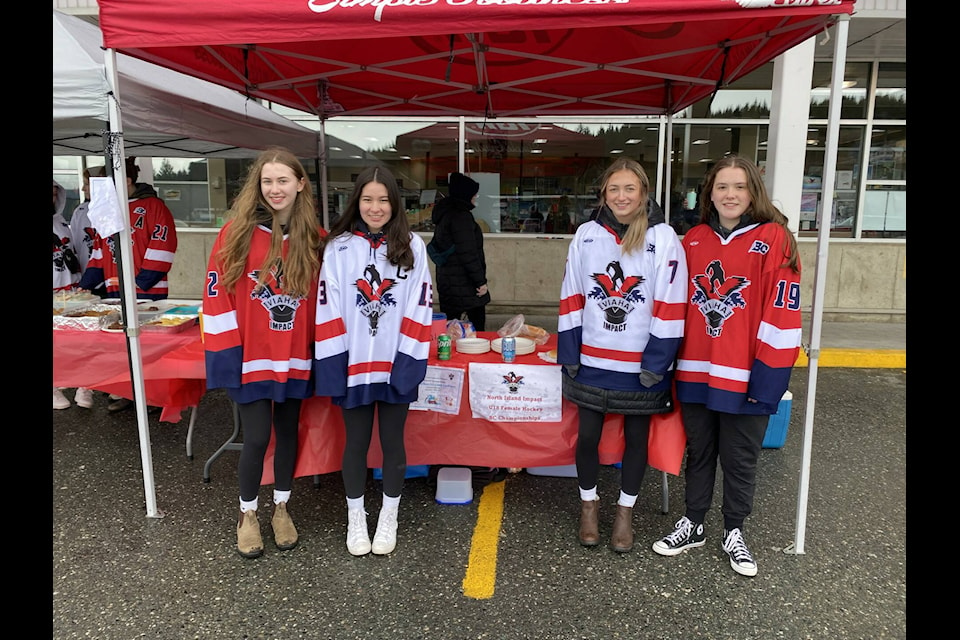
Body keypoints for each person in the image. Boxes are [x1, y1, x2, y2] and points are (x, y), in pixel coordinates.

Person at [652, 154, 802, 578]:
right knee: (699, 452)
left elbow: (783, 315)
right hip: (697, 372)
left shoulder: (775, 239)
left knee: (740, 459)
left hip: (747, 375)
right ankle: (694, 522)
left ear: (753, 191)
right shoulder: (694, 238)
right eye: (722, 186)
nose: (730, 194)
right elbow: (675, 305)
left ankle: (734, 530)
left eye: (739, 186)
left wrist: (769, 379)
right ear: (709, 194)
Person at [557, 157, 688, 553]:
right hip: (593, 360)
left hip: (639, 365)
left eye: (629, 189)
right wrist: (570, 350)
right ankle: (589, 506)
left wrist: (656, 361)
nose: (621, 196)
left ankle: (626, 512)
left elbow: (671, 301)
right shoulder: (586, 234)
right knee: (589, 438)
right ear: (604, 194)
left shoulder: (664, 238)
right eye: (614, 189)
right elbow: (572, 293)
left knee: (636, 440)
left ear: (643, 193)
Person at [202, 147, 323, 559]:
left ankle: (282, 507)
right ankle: (247, 514)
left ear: (300, 184)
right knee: (257, 436)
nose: (275, 189)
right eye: (267, 181)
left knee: (288, 432)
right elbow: (216, 295)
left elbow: (327, 302)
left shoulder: (316, 239)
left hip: (295, 357)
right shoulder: (234, 232)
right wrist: (225, 354)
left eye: (283, 180)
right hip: (250, 357)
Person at [314, 164, 433, 556]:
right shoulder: (338, 247)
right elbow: (327, 306)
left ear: (395, 203)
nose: (375, 207)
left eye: (383, 200)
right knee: (356, 442)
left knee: (393, 442)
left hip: (395, 360)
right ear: (356, 201)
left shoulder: (414, 246)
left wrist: (408, 361)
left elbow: (421, 306)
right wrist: (334, 364)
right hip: (354, 364)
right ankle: (356, 516)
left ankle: (389, 515)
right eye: (368, 199)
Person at [78, 157, 179, 412]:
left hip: (148, 291)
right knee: (121, 344)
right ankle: (127, 392)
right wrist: (87, 283)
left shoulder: (154, 207)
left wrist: (141, 282)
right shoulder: (108, 210)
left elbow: (162, 245)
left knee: (147, 345)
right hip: (115, 290)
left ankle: (153, 396)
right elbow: (100, 250)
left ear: (126, 181)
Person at [430, 172, 491, 330]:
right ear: (465, 195)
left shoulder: (446, 214)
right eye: (474, 194)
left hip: (449, 283)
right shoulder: (461, 217)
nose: (475, 197)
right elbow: (468, 253)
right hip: (465, 286)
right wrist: (480, 282)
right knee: (476, 331)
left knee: (451, 330)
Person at [53, 179, 91, 410]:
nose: (53, 197)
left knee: (78, 341)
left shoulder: (61, 221)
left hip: (71, 289)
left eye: (55, 193)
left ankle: (84, 385)